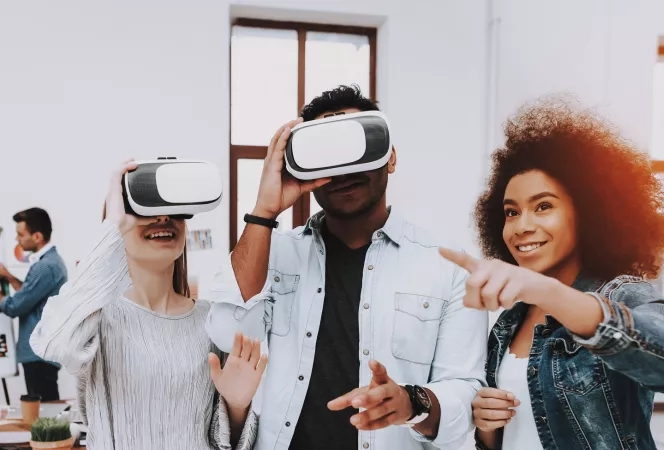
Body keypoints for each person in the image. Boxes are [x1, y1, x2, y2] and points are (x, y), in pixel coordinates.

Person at [205, 85, 488, 450]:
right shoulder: (272, 254)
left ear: (390, 157)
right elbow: (229, 333)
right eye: (328, 155)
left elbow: (465, 396)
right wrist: (264, 210)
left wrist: (411, 402)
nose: (343, 170)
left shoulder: (449, 267)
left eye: (358, 149)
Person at [439, 96, 664, 450]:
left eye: (543, 206)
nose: (521, 226)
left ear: (589, 212)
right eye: (511, 212)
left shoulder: (624, 295)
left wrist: (549, 293)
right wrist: (486, 426)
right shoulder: (509, 322)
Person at [29, 160, 266, 450]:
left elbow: (224, 441)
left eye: (174, 210)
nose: (164, 217)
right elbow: (54, 343)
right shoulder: (97, 319)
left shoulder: (211, 319)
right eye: (146, 209)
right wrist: (115, 223)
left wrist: (237, 406)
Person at [0, 207, 67, 401]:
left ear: (37, 236)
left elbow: (14, 307)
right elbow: (31, 296)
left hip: (38, 356)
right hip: (40, 355)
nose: (17, 240)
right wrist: (8, 276)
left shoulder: (45, 267)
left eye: (20, 234)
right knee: (43, 414)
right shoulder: (49, 263)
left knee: (45, 416)